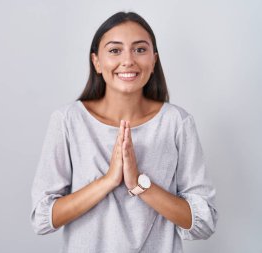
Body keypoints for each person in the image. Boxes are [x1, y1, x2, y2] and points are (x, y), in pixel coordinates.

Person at [30, 11, 218, 253]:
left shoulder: (177, 123)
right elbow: (43, 218)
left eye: (140, 49)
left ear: (154, 60)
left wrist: (139, 184)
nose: (128, 60)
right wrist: (108, 180)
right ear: (97, 61)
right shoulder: (68, 121)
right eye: (115, 50)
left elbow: (203, 222)